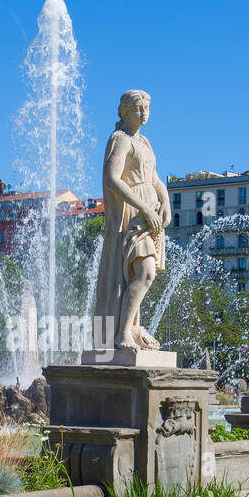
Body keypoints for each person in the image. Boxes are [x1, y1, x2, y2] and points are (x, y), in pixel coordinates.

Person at [93, 90, 171, 351]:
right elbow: (111, 178)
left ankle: (130, 328)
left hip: (149, 214)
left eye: (146, 108)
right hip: (132, 215)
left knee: (138, 274)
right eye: (138, 108)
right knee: (144, 272)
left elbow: (155, 179)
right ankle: (122, 333)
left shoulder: (145, 143)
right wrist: (143, 208)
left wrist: (166, 203)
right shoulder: (120, 139)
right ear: (125, 111)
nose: (143, 113)